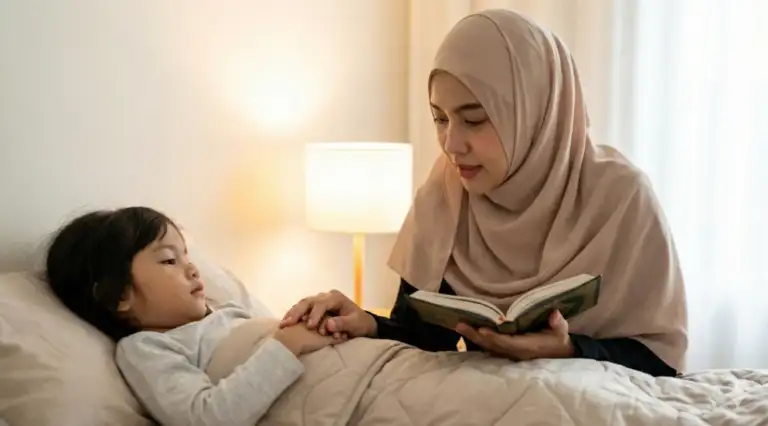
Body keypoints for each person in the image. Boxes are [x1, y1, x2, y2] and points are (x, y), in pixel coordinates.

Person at [280, 9, 688, 377]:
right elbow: (425, 338)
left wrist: (568, 348)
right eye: (440, 118)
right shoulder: (445, 194)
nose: (451, 144)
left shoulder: (621, 198)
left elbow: (661, 361)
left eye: (473, 119)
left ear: (534, 115)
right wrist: (366, 321)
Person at [45, 207, 344, 425]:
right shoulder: (147, 347)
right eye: (169, 260)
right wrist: (287, 344)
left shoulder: (227, 314)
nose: (192, 268)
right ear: (119, 295)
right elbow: (208, 418)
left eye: (187, 255)